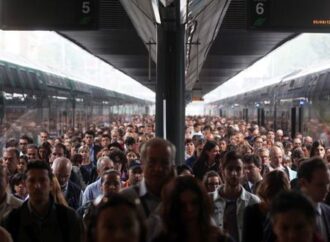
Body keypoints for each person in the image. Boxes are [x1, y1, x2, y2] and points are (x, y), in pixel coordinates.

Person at [3, 160, 83, 242]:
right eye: (32, 181)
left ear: (51, 184)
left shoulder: (68, 218)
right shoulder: (12, 220)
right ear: (26, 184)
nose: (37, 186)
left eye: (42, 180)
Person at [152, 176, 232, 242]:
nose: (189, 209)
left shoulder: (220, 239)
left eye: (194, 203)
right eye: (182, 205)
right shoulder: (162, 240)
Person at [121, 137, 176, 219]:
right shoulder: (126, 198)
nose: (158, 168)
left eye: (164, 162)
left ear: (172, 166)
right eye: (152, 162)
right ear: (142, 164)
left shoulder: (180, 198)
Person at [212, 150, 259, 242]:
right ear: (222, 171)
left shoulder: (253, 202)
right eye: (230, 169)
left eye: (238, 169)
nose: (234, 174)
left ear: (243, 172)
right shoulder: (208, 201)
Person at [242, 170, 290, 242]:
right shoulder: (251, 212)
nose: (274, 202)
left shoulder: (291, 213)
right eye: (271, 196)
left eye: (279, 197)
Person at [298, 157, 330, 242]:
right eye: (320, 185)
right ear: (303, 183)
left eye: (327, 184)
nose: (326, 190)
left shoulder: (328, 212)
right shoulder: (285, 215)